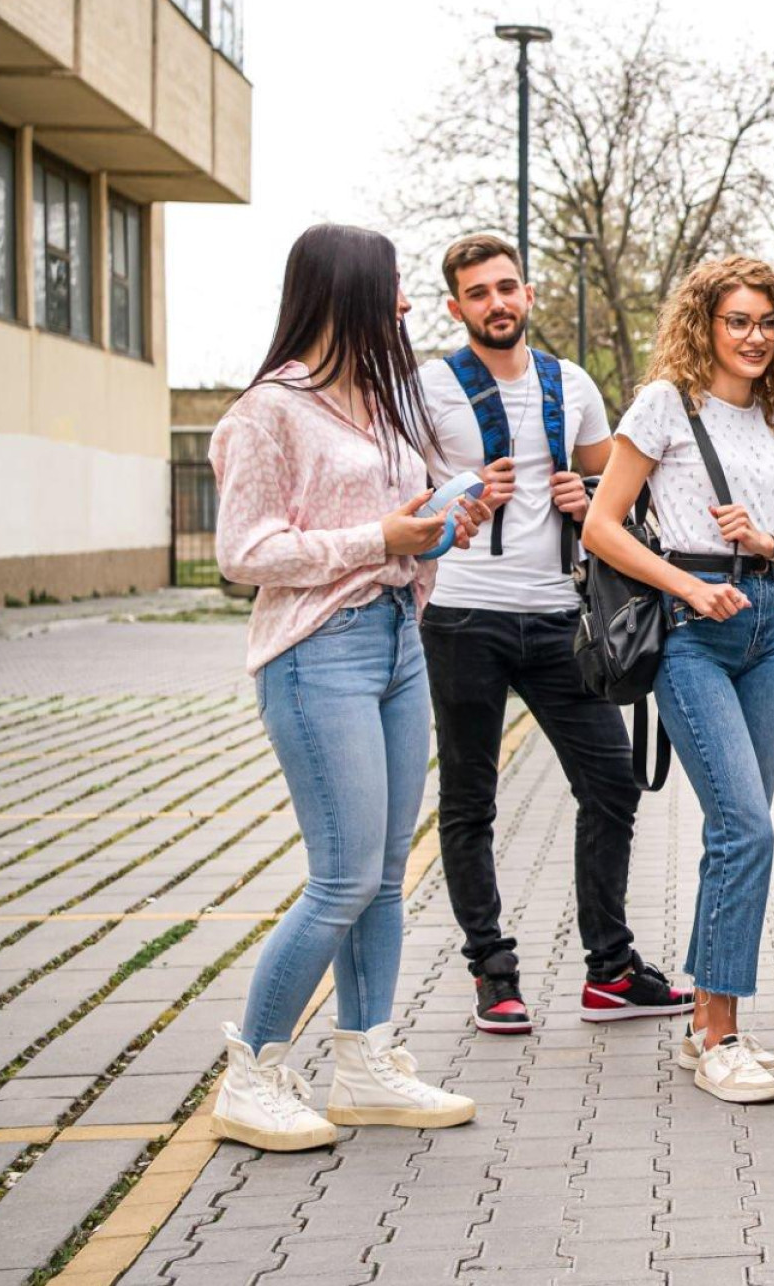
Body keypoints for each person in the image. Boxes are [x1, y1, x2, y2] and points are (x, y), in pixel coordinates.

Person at [208, 223, 490, 1151]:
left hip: (396, 641)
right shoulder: (267, 412)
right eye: (395, 287)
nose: (407, 304)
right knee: (338, 878)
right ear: (344, 294)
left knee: (380, 880)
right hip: (314, 652)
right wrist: (381, 540)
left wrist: (446, 525)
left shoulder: (382, 402)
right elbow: (245, 553)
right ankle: (253, 1072)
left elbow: (399, 530)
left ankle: (365, 1064)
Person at [414, 232, 692, 1034]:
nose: (496, 303)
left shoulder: (567, 382)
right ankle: (492, 973)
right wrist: (457, 492)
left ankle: (609, 969)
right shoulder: (428, 387)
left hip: (557, 613)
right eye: (478, 293)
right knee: (469, 799)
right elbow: (400, 487)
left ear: (528, 294)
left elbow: (621, 482)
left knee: (610, 782)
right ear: (456, 306)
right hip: (462, 613)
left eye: (507, 287)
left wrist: (590, 491)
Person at [583, 255, 774, 1105]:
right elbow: (599, 526)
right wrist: (687, 584)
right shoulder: (664, 405)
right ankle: (714, 1033)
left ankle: (710, 1024)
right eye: (738, 321)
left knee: (738, 832)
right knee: (745, 831)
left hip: (768, 623)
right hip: (691, 630)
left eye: (767, 322)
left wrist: (764, 544)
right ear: (705, 325)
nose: (755, 337)